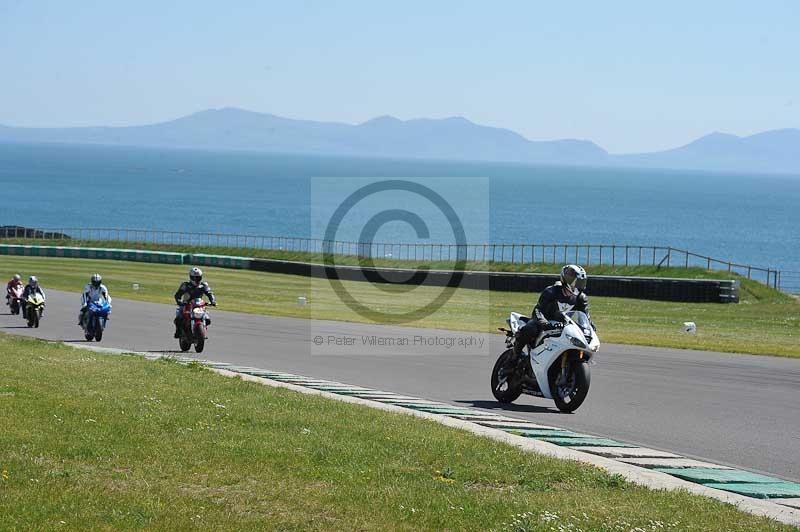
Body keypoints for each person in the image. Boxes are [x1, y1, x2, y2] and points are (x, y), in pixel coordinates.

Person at [512, 264, 592, 357]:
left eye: (581, 283)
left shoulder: (580, 298)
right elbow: (538, 311)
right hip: (543, 322)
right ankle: (515, 355)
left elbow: (585, 317)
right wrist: (545, 324)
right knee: (530, 329)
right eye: (576, 282)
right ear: (566, 280)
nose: (578, 286)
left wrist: (590, 329)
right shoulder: (551, 291)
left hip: (562, 325)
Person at [173, 267, 216, 338]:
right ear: (191, 277)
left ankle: (203, 331)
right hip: (186, 305)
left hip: (199, 305)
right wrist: (179, 301)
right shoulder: (185, 285)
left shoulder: (204, 285)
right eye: (194, 278)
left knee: (208, 320)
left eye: (198, 278)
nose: (196, 280)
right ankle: (178, 332)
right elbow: (178, 295)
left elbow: (210, 293)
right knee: (179, 319)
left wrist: (213, 301)